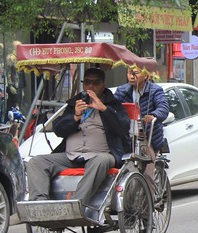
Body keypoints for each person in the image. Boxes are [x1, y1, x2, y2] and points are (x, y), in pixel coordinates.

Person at [25, 68, 131, 209]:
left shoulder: (112, 104)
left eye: (96, 83)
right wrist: (75, 116)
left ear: (103, 85)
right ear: (83, 85)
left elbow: (123, 128)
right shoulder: (74, 104)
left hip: (101, 154)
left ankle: (76, 204)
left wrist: (104, 109)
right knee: (36, 162)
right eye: (87, 82)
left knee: (100, 161)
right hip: (71, 156)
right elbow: (58, 130)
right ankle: (39, 204)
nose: (91, 86)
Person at [114, 66, 170, 187]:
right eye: (129, 73)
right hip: (126, 135)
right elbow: (113, 107)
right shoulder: (122, 91)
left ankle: (150, 202)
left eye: (136, 73)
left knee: (148, 171)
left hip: (146, 136)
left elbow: (163, 108)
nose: (131, 76)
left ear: (146, 75)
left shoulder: (155, 90)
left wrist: (153, 115)